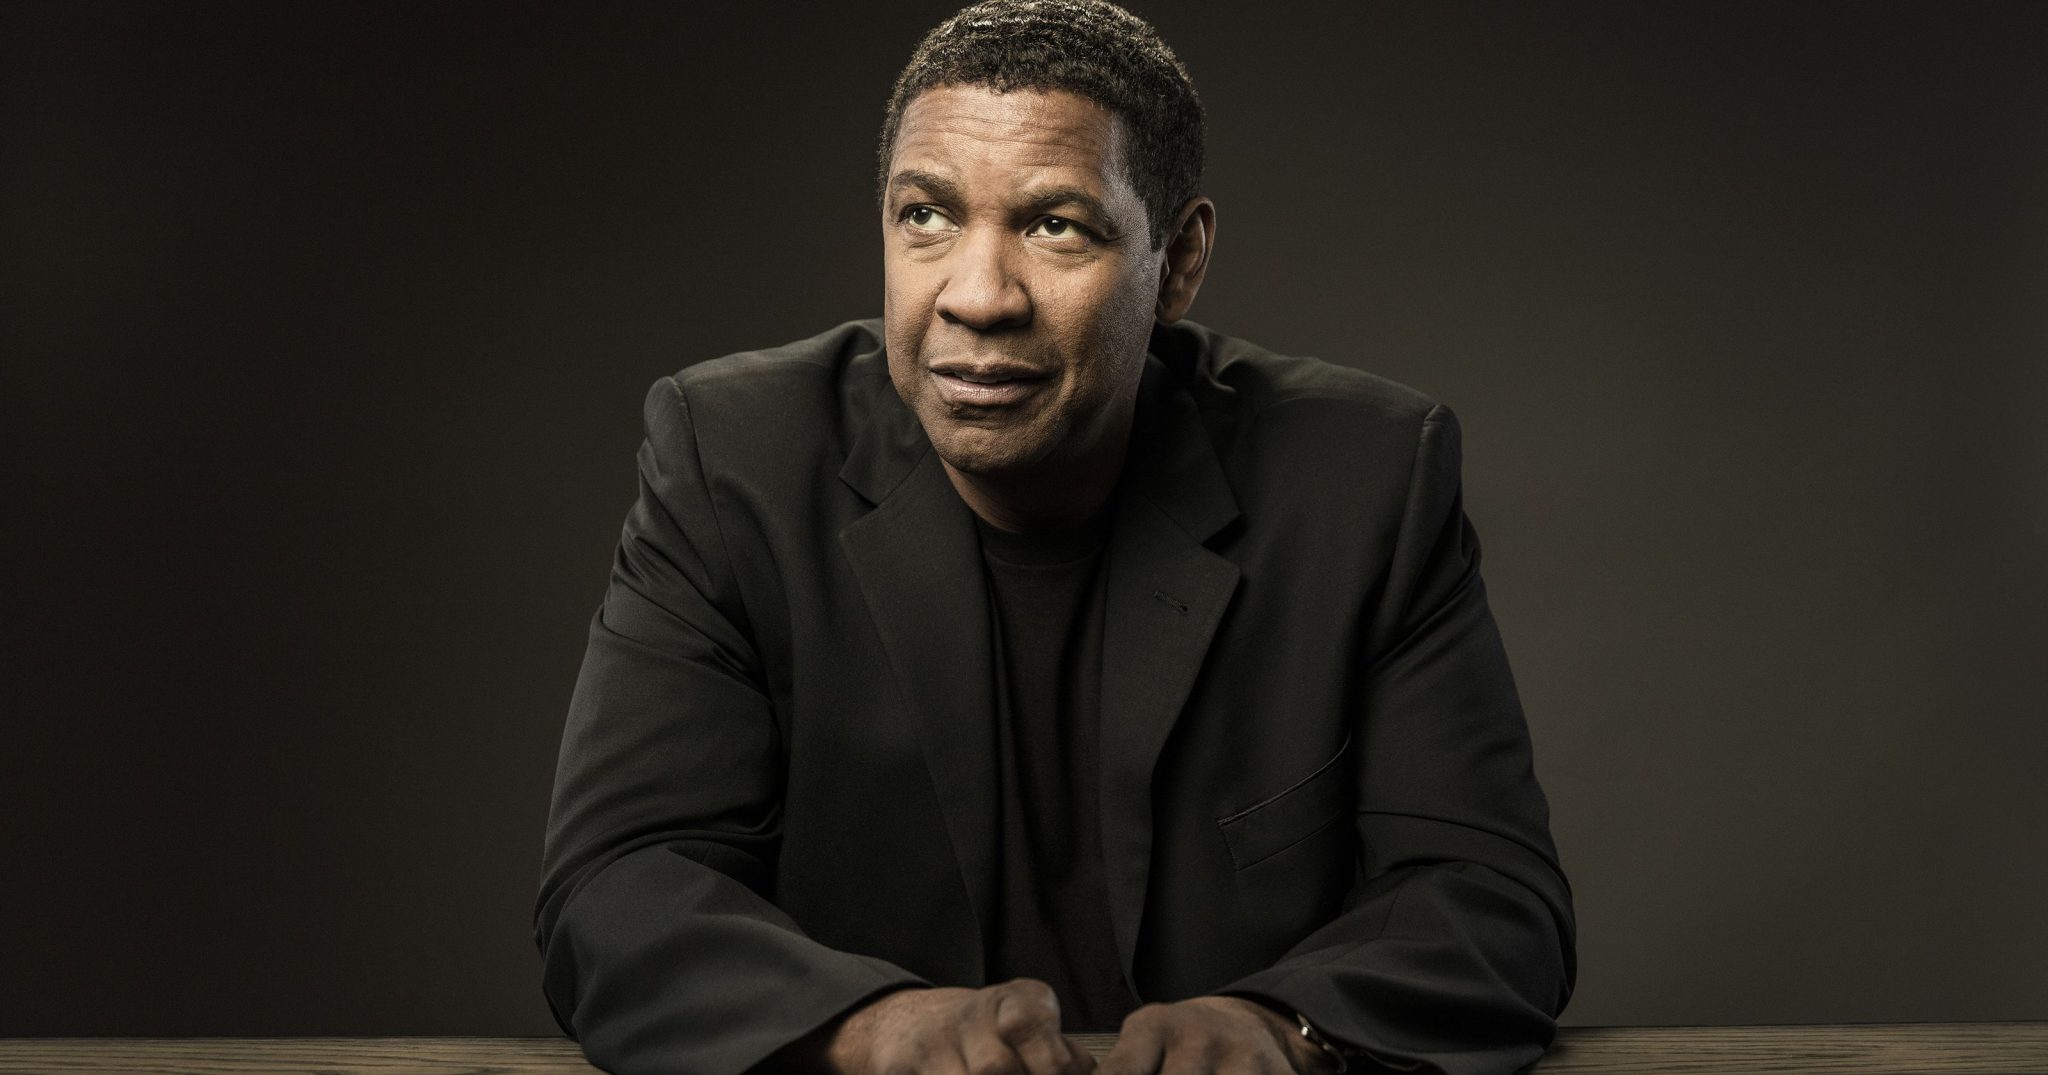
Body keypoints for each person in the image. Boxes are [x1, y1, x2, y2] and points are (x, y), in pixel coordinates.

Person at [534, 2, 1575, 1073]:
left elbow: (1491, 902)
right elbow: (613, 889)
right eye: (926, 216)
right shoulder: (731, 464)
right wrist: (869, 1029)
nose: (976, 297)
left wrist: (1282, 1028)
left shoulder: (1364, 482)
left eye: (1056, 225)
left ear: (1177, 262)